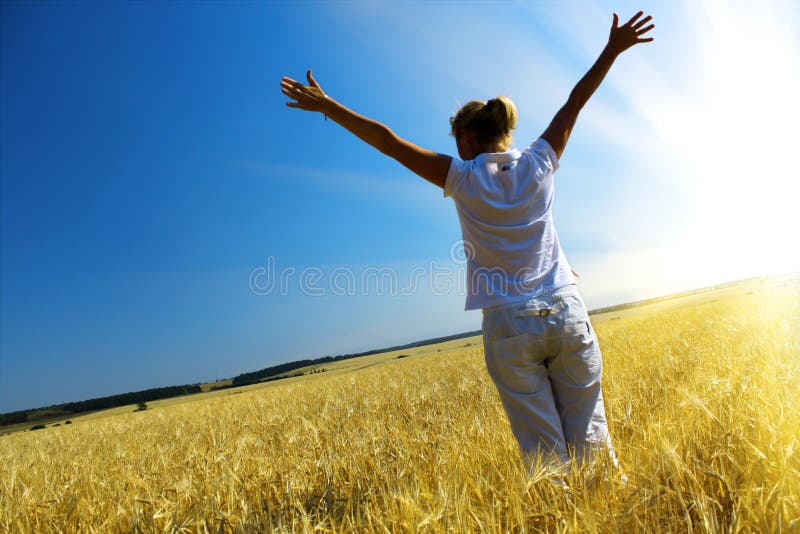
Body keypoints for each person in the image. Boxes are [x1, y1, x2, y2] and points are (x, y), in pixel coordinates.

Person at [281, 11, 654, 475]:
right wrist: (612, 50)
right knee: (593, 446)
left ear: (465, 139)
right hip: (566, 311)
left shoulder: (461, 176)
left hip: (510, 325)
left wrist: (329, 107)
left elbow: (389, 142)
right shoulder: (540, 162)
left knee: (545, 461)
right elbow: (574, 103)